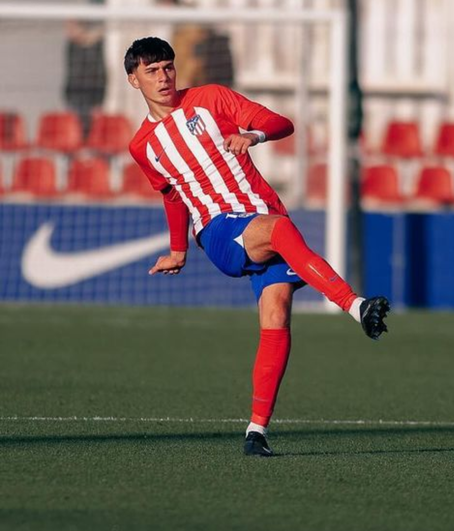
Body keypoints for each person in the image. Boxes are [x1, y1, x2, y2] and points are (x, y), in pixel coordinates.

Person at [124, 37, 389, 457]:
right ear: (133, 80)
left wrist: (254, 134)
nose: (163, 77)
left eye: (168, 67)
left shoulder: (211, 98)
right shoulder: (143, 145)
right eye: (152, 71)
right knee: (281, 231)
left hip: (260, 217)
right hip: (219, 230)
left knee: (276, 315)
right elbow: (172, 195)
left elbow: (282, 122)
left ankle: (256, 432)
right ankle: (355, 306)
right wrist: (180, 249)